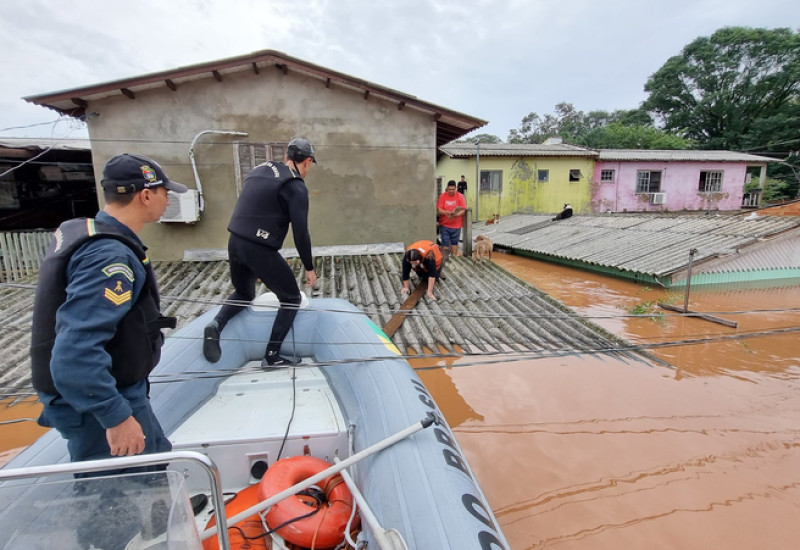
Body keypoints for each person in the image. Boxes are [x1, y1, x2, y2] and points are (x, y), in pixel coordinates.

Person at [30, 153, 183, 470]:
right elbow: (75, 350)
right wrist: (115, 416)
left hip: (113, 391)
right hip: (99, 402)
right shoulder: (108, 255)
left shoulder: (87, 232)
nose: (168, 200)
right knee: (128, 491)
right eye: (165, 192)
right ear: (145, 195)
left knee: (158, 462)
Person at [203, 138, 318, 367]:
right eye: (310, 164)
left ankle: (216, 325)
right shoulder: (295, 186)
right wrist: (309, 267)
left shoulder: (261, 169)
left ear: (286, 156)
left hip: (235, 241)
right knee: (291, 298)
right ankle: (272, 355)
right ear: (307, 161)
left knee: (244, 293)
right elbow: (301, 233)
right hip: (259, 247)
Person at [436, 180, 467, 262]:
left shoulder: (460, 196)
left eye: (453, 189)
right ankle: (445, 260)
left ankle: (454, 259)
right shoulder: (442, 196)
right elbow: (439, 209)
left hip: (456, 225)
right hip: (444, 225)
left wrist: (457, 214)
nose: (451, 191)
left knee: (455, 243)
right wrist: (445, 212)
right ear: (447, 188)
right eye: (450, 189)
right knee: (445, 243)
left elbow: (463, 209)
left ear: (455, 188)